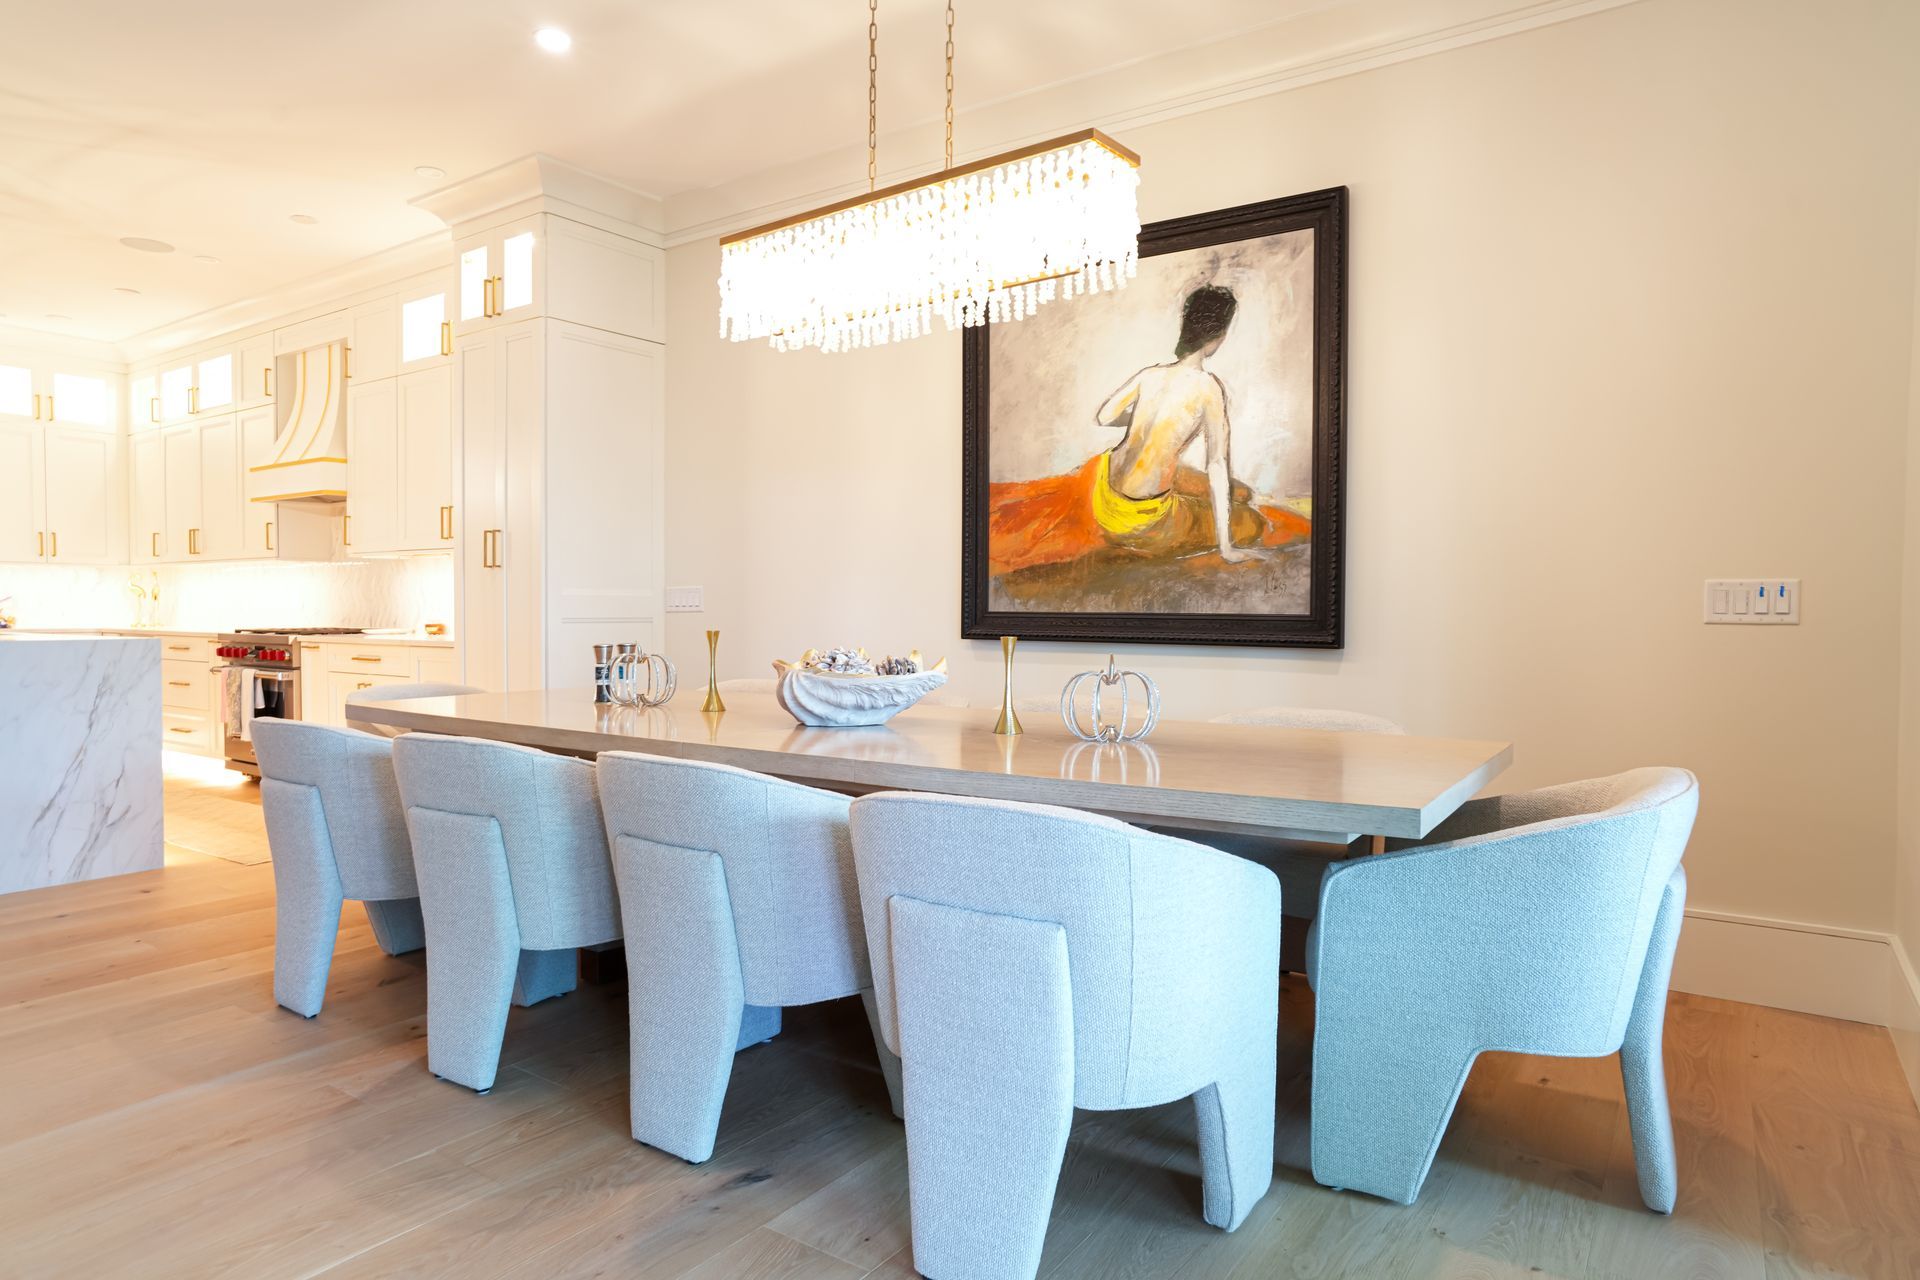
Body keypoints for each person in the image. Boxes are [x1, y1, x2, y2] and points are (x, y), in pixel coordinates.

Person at [988, 283, 1307, 579]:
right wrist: (1226, 548)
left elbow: (1103, 416)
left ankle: (1253, 496)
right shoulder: (1208, 388)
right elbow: (1217, 466)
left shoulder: (1150, 375)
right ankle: (1255, 503)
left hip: (1101, 485)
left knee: (1196, 480)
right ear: (1218, 335)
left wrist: (1148, 419)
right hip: (1138, 520)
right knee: (1247, 520)